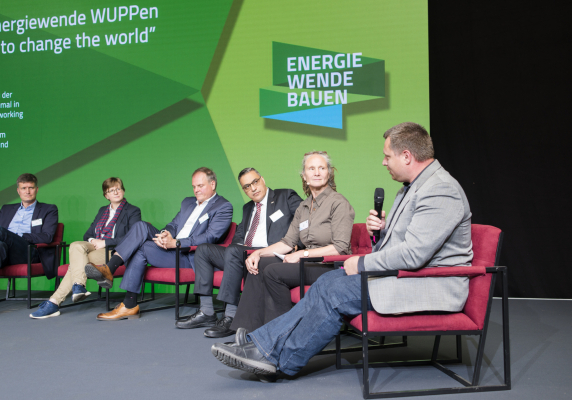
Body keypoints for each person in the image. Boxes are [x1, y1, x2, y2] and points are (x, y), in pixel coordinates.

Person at [211, 122, 473, 381]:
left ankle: (276, 357)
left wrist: (360, 263)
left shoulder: (440, 189)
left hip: (426, 284)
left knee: (334, 291)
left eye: (387, 156)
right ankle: (265, 347)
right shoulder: (412, 189)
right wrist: (381, 231)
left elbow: (414, 255)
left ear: (407, 156)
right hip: (402, 276)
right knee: (327, 281)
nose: (384, 162)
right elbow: (404, 247)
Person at [228, 151, 355, 333]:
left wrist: (302, 254)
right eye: (312, 169)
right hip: (308, 263)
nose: (317, 173)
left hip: (330, 266)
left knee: (272, 271)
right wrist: (257, 253)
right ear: (304, 176)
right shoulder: (303, 207)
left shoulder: (338, 202)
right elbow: (287, 242)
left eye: (322, 168)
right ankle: (247, 330)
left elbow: (341, 248)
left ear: (329, 173)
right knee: (260, 264)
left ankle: (278, 334)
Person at [85, 167, 233, 321]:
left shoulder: (223, 206)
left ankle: (127, 302)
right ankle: (111, 272)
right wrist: (165, 233)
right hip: (170, 248)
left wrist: (176, 243)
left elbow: (210, 237)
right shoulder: (188, 202)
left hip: (189, 255)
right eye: (194, 186)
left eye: (200, 186)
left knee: (140, 248)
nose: (196, 190)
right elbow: (174, 225)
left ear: (213, 184)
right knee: (141, 226)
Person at [177, 168, 302, 338]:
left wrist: (296, 246)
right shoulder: (247, 208)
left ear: (263, 180)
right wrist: (233, 254)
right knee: (204, 249)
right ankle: (206, 312)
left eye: (255, 182)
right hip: (242, 253)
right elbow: (239, 237)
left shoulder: (285, 196)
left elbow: (305, 221)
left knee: (234, 252)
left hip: (271, 253)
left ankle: (231, 316)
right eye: (246, 186)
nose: (253, 188)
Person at [29, 177, 141, 319]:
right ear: (106, 195)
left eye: (118, 189)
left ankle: (54, 302)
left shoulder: (132, 210)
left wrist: (105, 242)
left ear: (123, 191)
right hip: (95, 246)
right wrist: (93, 240)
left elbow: (132, 237)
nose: (116, 192)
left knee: (76, 264)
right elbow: (87, 234)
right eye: (111, 190)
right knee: (76, 245)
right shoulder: (102, 211)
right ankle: (78, 286)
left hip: (114, 251)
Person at [0, 173, 58, 322]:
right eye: (23, 188)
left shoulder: (48, 209)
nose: (27, 191)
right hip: (5, 252)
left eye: (31, 188)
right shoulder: (6, 209)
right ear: (18, 190)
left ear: (37, 189)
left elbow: (48, 236)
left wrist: (20, 236)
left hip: (29, 252)